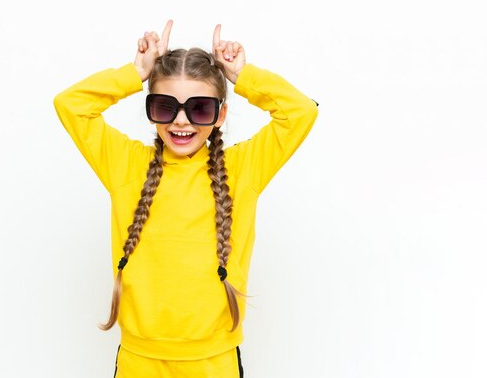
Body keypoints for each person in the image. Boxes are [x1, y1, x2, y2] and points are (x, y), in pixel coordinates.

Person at [53, 20, 319, 377]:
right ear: (151, 108)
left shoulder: (242, 170)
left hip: (214, 361)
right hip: (139, 360)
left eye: (200, 109)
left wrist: (243, 75)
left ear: (220, 114)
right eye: (166, 107)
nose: (182, 121)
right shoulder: (126, 165)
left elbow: (301, 112)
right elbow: (70, 105)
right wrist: (135, 73)